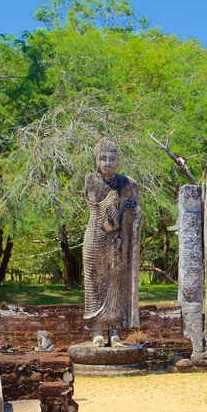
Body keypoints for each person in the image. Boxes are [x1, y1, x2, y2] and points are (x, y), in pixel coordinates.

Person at [82, 138, 140, 347]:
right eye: (103, 158)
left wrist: (130, 211)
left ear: (118, 160)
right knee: (95, 284)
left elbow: (135, 207)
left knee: (116, 284)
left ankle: (114, 331)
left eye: (112, 159)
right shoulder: (91, 180)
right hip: (96, 237)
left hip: (117, 241)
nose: (107, 163)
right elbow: (100, 209)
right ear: (95, 160)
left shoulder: (127, 182)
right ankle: (97, 330)